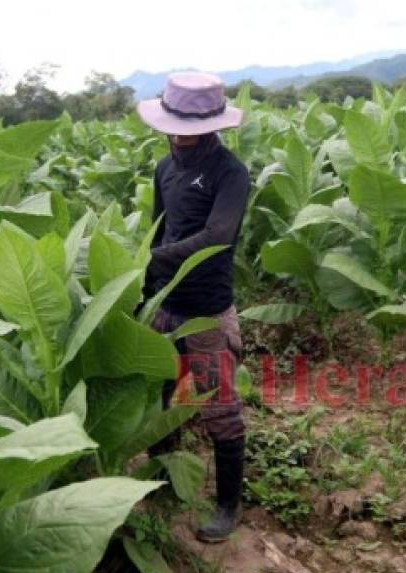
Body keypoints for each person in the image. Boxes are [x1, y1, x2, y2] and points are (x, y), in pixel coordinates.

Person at [136, 72, 250, 542]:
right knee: (162, 395)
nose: (181, 135)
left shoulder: (230, 172)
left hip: (205, 307)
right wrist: (142, 285)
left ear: (212, 126)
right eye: (175, 124)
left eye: (191, 127)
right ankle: (165, 480)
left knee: (218, 404)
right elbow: (159, 230)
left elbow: (217, 237)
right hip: (165, 303)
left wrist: (153, 257)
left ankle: (228, 504)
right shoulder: (164, 168)